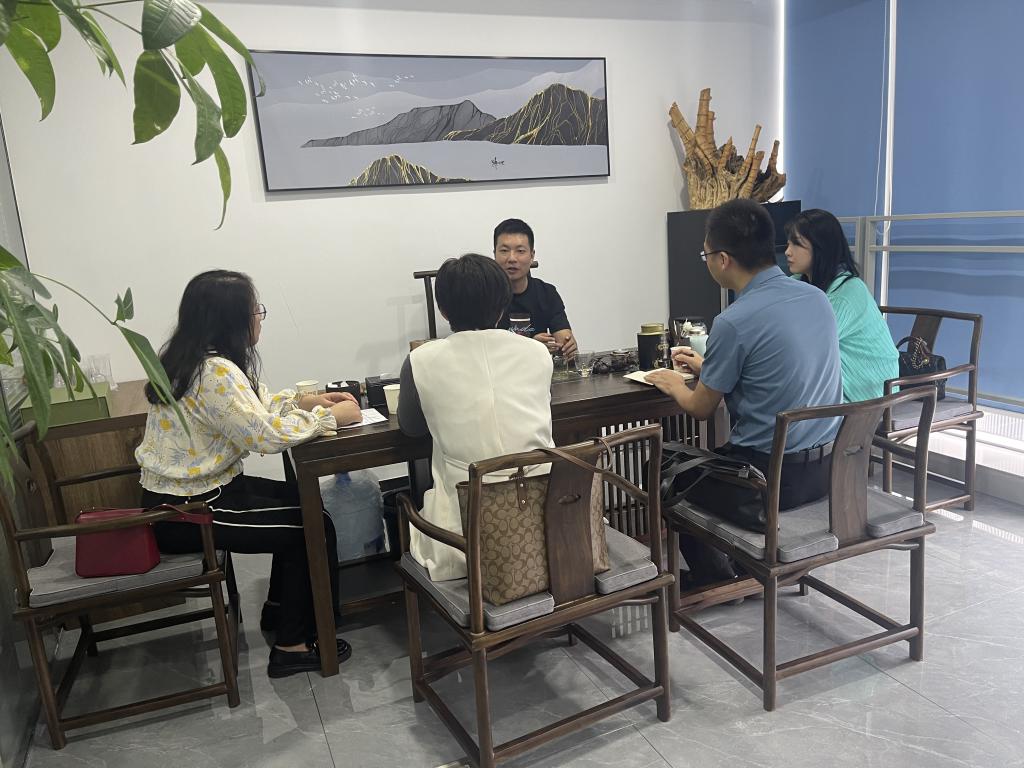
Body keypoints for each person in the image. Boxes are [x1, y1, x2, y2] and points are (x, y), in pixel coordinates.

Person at [135, 270, 362, 678]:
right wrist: (329, 417)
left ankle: (280, 611)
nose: (259, 318)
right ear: (232, 320)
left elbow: (250, 408)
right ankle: (293, 646)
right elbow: (264, 435)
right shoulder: (213, 372)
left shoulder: (194, 361)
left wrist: (305, 401)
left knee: (303, 503)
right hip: (189, 511)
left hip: (188, 497)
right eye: (255, 311)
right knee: (311, 524)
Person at [646, 199, 843, 588]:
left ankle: (715, 575)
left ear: (722, 260)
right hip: (824, 471)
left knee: (664, 465)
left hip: (764, 486)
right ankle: (733, 566)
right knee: (709, 459)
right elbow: (775, 370)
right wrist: (711, 369)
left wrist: (673, 383)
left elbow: (701, 408)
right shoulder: (817, 299)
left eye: (705, 255)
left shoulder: (733, 320)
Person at [398, 253, 554, 581]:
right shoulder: (537, 352)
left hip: (464, 539)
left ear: (443, 310)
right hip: (547, 526)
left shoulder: (420, 360)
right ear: (502, 304)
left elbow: (411, 428)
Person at [785, 208, 899, 402]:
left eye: (797, 244)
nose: (788, 251)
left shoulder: (845, 295)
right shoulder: (799, 283)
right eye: (788, 243)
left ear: (821, 248)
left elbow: (804, 346)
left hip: (868, 396)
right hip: (838, 386)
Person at [493, 218, 578, 357]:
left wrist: (567, 347)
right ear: (494, 254)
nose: (512, 258)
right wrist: (531, 347)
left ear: (532, 256)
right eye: (504, 251)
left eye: (520, 251)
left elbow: (563, 337)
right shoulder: (485, 296)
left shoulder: (547, 293)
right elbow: (483, 351)